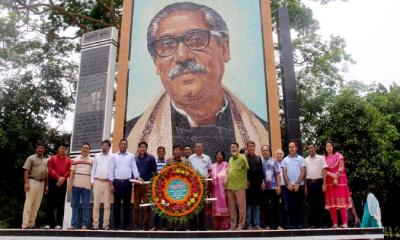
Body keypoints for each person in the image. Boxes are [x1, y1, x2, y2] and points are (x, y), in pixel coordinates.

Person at [125, 2, 269, 157]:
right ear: (156, 62)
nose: (182, 56)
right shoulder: (131, 137)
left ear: (224, 49)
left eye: (196, 39)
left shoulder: (263, 132)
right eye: (167, 45)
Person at [108, 139, 140, 230]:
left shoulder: (131, 156)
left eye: (125, 144)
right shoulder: (114, 156)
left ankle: (127, 225)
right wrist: (111, 184)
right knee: (116, 205)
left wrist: (138, 177)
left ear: (127, 146)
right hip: (117, 183)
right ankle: (116, 225)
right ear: (119, 145)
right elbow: (111, 170)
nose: (123, 145)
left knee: (127, 205)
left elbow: (134, 168)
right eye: (121, 143)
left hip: (127, 183)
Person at [324, 140, 352, 228]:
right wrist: (331, 175)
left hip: (339, 182)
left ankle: (344, 223)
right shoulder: (324, 158)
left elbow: (341, 167)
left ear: (333, 147)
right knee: (332, 204)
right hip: (329, 183)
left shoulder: (339, 156)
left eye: (330, 146)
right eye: (327, 146)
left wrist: (336, 177)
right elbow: (324, 170)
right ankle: (335, 223)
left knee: (341, 203)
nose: (328, 147)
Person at [21, 142, 48, 229]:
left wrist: (46, 185)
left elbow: (46, 174)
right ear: (36, 149)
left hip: (41, 183)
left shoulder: (45, 160)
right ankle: (25, 225)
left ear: (44, 150)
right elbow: (26, 171)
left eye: (42, 148)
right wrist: (26, 183)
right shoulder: (31, 158)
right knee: (29, 204)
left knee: (36, 205)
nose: (40, 149)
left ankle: (31, 224)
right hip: (32, 181)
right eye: (39, 148)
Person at [45, 143, 71, 229]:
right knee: (50, 203)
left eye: (64, 148)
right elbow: (50, 169)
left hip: (63, 182)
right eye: (61, 148)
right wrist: (58, 177)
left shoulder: (68, 160)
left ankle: (58, 223)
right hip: (53, 181)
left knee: (60, 203)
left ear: (66, 150)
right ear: (58, 149)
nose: (62, 150)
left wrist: (63, 178)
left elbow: (69, 170)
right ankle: (49, 223)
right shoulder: (53, 158)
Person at [68, 143, 93, 229]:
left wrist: (92, 183)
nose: (85, 149)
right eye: (83, 148)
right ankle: (73, 224)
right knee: (75, 205)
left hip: (87, 186)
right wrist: (70, 184)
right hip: (76, 185)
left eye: (87, 148)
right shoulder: (75, 159)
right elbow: (71, 173)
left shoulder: (92, 160)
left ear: (89, 150)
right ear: (81, 149)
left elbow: (93, 173)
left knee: (85, 205)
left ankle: (84, 224)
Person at [189, 142, 212, 231]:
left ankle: (202, 226)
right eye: (197, 146)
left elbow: (210, 170)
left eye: (200, 147)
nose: (198, 148)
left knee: (202, 205)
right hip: (193, 184)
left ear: (203, 148)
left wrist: (207, 177)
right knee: (193, 204)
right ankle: (193, 226)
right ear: (195, 148)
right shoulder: (191, 157)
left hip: (203, 184)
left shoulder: (207, 158)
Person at [134, 141, 157, 230]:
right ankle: (136, 225)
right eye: (141, 147)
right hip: (137, 185)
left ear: (146, 148)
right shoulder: (135, 159)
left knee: (147, 206)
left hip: (147, 185)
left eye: (144, 147)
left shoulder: (151, 158)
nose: (142, 148)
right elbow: (133, 171)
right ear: (138, 148)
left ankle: (145, 225)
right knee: (136, 206)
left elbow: (155, 171)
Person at [282, 141, 305, 229]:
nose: (291, 148)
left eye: (293, 147)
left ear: (296, 148)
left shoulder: (301, 158)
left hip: (299, 186)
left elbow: (303, 171)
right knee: (290, 205)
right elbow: (284, 172)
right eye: (290, 147)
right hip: (289, 186)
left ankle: (300, 224)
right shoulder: (285, 159)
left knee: (299, 205)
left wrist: (298, 183)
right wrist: (288, 183)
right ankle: (292, 224)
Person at [90, 140, 112, 230]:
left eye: (106, 145)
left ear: (109, 147)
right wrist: (92, 181)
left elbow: (112, 170)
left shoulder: (112, 157)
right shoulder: (97, 156)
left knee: (107, 205)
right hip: (97, 181)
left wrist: (111, 183)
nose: (104, 147)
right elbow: (93, 168)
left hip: (107, 182)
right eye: (103, 145)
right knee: (96, 204)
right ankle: (95, 224)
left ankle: (106, 225)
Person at [226, 142, 249, 230]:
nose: (233, 149)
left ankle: (241, 226)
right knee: (232, 209)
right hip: (230, 186)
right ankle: (232, 226)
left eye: (235, 147)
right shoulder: (230, 159)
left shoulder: (242, 157)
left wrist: (245, 155)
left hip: (240, 187)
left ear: (238, 148)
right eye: (232, 147)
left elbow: (246, 167)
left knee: (241, 208)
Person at [304, 143, 327, 228]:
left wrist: (324, 184)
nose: (310, 149)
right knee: (311, 204)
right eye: (309, 148)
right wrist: (305, 187)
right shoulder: (305, 159)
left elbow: (324, 170)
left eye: (312, 148)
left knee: (321, 204)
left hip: (319, 182)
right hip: (309, 183)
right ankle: (313, 224)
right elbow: (305, 173)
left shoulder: (321, 158)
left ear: (315, 148)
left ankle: (322, 223)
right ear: (308, 150)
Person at [261, 145, 281, 230]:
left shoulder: (274, 161)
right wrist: (262, 182)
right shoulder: (260, 162)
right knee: (265, 208)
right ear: (262, 152)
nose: (265, 152)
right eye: (264, 150)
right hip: (264, 189)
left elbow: (278, 174)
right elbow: (260, 175)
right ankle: (267, 225)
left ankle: (276, 225)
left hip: (273, 188)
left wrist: (279, 186)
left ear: (269, 151)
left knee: (275, 207)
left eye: (267, 150)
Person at [245, 141, 264, 230]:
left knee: (257, 205)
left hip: (257, 185)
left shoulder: (258, 158)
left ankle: (256, 224)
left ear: (255, 147)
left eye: (253, 146)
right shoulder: (244, 158)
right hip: (248, 185)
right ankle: (248, 224)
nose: (251, 148)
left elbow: (261, 172)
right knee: (248, 206)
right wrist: (245, 181)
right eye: (249, 146)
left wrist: (263, 181)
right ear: (247, 148)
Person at [211, 151, 230, 230]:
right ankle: (216, 226)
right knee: (215, 210)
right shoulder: (212, 166)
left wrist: (217, 177)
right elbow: (210, 176)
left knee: (225, 207)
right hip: (215, 190)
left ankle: (225, 225)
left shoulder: (226, 164)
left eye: (221, 155)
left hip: (223, 191)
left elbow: (227, 175)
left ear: (223, 156)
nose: (219, 156)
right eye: (217, 155)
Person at [151, 146, 168, 231]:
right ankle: (156, 226)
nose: (161, 153)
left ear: (164, 153)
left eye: (162, 151)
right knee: (157, 207)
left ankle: (164, 226)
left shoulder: (167, 163)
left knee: (165, 206)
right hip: (157, 188)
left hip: (166, 188)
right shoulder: (154, 163)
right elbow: (153, 174)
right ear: (157, 153)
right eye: (159, 151)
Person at [275, 149, 286, 230]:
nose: (279, 155)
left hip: (285, 187)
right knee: (277, 206)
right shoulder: (273, 163)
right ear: (275, 155)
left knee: (285, 205)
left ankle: (284, 224)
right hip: (276, 187)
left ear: (283, 155)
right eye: (277, 154)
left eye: (280, 154)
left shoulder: (285, 163)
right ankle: (278, 225)